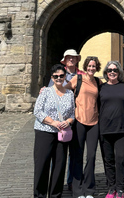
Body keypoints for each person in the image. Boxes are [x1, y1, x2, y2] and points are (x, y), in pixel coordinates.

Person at [33, 64, 75, 198]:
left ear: (65, 77)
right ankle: (39, 195)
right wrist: (53, 122)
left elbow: (73, 114)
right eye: (56, 76)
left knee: (59, 166)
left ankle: (55, 195)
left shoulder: (69, 94)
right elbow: (37, 111)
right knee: (42, 165)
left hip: (62, 134)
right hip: (44, 131)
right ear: (52, 77)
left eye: (61, 76)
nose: (59, 78)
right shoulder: (45, 92)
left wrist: (68, 121)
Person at [47, 49, 85, 191]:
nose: (71, 60)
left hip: (77, 118)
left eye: (73, 57)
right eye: (68, 57)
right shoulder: (58, 74)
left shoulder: (82, 75)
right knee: (57, 152)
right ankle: (56, 181)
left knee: (75, 152)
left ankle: (71, 181)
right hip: (60, 121)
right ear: (65, 60)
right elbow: (50, 92)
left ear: (77, 60)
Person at [65, 56, 101, 198]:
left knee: (91, 156)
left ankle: (89, 189)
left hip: (94, 123)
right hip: (79, 121)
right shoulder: (77, 79)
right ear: (86, 67)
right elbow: (62, 90)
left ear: (96, 67)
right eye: (89, 66)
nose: (91, 68)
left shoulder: (98, 82)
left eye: (94, 66)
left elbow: (111, 89)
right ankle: (77, 189)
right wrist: (47, 90)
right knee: (77, 156)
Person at [99, 61, 124, 198]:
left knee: (120, 159)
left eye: (115, 70)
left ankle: (121, 188)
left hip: (121, 128)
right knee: (108, 160)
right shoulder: (101, 88)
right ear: (106, 73)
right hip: (104, 129)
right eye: (109, 70)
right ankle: (111, 188)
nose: (112, 72)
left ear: (119, 72)